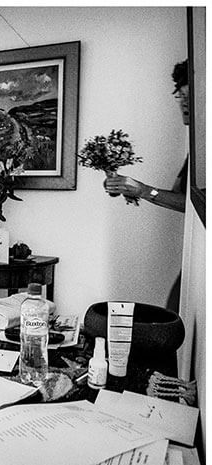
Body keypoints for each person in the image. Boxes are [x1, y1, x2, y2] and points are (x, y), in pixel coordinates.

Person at [103, 59, 188, 312]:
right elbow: (179, 196)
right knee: (175, 312)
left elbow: (195, 203)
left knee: (174, 316)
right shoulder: (195, 150)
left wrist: (142, 190)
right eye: (179, 96)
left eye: (189, 96)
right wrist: (127, 188)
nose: (183, 103)